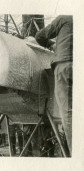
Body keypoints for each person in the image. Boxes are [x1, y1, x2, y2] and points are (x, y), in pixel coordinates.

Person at [35, 15, 73, 155]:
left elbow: (39, 36)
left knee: (68, 113)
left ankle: (75, 156)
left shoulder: (65, 18)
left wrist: (52, 45)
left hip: (64, 65)